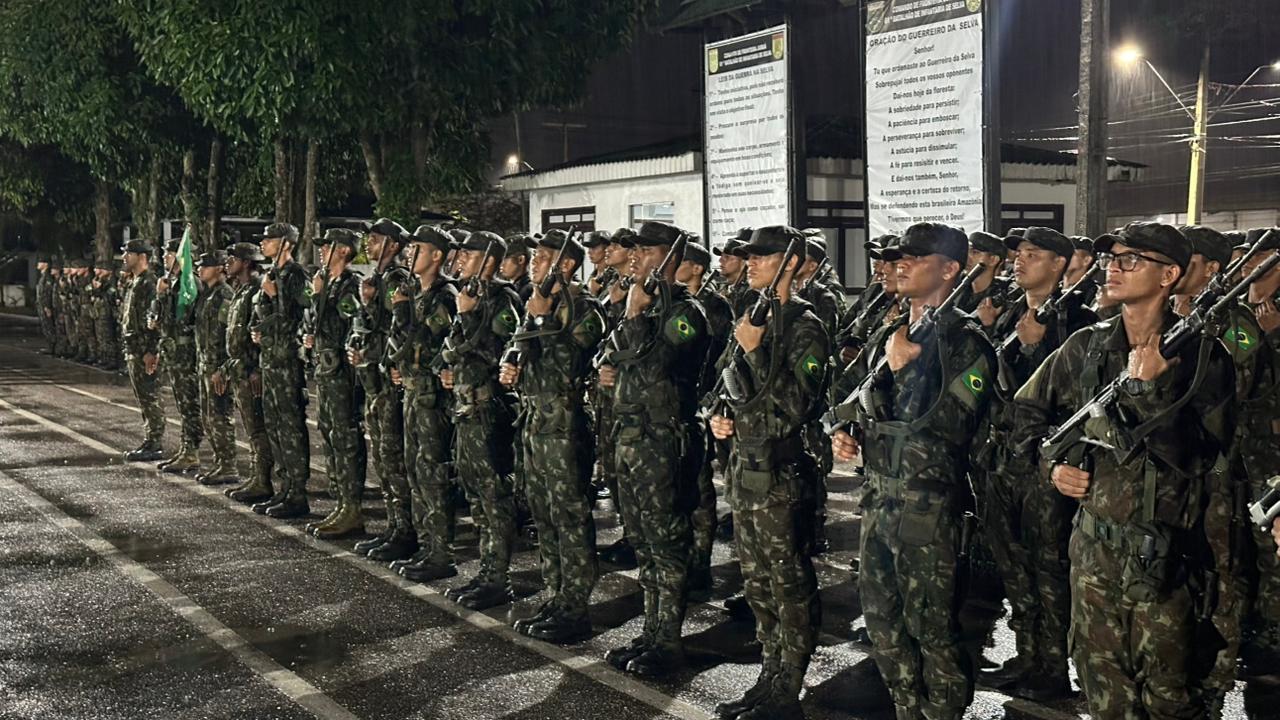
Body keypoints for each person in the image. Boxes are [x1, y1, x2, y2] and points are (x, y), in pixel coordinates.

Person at [1014, 221, 1235, 720]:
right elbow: (1027, 416)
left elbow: (1204, 456)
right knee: (1105, 696)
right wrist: (1053, 466)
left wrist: (1151, 389)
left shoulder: (1202, 357)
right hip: (1094, 554)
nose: (1113, 268)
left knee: (1171, 700)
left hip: (1168, 560)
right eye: (1112, 258)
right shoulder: (1085, 348)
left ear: (1169, 275)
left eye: (1131, 259)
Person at [830, 222, 995, 720]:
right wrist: (851, 431)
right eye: (899, 255)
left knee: (932, 631)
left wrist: (903, 370)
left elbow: (953, 425)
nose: (899, 263)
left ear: (950, 269)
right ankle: (907, 710)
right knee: (884, 624)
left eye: (915, 257)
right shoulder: (893, 329)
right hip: (880, 497)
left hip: (929, 506)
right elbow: (858, 398)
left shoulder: (968, 341)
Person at [710, 225, 828, 720]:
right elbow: (727, 383)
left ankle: (789, 688)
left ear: (792, 264)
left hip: (781, 475)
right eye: (750, 256)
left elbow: (795, 408)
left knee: (789, 583)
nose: (751, 262)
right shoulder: (751, 316)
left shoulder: (805, 326)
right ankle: (769, 675)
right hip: (747, 469)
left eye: (763, 256)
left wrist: (757, 350)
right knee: (757, 584)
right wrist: (719, 414)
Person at [975, 227, 1094, 700]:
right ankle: (1028, 653)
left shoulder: (1077, 324)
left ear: (1060, 264)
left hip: (1044, 464)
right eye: (1019, 252)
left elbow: (1072, 399)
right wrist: (991, 333)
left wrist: (1035, 347)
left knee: (1048, 567)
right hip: (1002, 457)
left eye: (1035, 254)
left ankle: (1052, 666)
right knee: (1013, 563)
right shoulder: (1006, 314)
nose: (1021, 260)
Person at [599, 220, 709, 678]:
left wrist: (637, 316)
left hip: (663, 440)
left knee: (666, 543)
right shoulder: (636, 305)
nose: (636, 258)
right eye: (636, 251)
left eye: (646, 251)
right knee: (643, 543)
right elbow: (611, 360)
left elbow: (657, 363)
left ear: (670, 258)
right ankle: (652, 629)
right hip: (629, 438)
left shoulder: (686, 313)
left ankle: (669, 640)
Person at [503, 229, 604, 642]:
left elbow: (566, 365)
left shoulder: (584, 309)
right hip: (535, 424)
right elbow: (520, 350)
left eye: (542, 257)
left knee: (570, 517)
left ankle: (576, 607)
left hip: (564, 426)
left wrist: (544, 317)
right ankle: (556, 594)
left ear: (565, 264)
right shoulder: (536, 306)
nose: (532, 262)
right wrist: (511, 366)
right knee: (544, 517)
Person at [440, 231, 522, 610]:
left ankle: (497, 577)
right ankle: (487, 571)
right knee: (476, 498)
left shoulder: (503, 300)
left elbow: (499, 353)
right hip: (466, 409)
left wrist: (470, 315)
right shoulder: (467, 296)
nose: (461, 259)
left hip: (490, 411)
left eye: (470, 254)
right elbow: (452, 347)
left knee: (494, 498)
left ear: (488, 260)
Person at [389, 225, 460, 582]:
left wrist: (403, 314)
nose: (409, 254)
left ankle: (441, 552)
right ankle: (425, 544)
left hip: (433, 398)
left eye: (418, 248)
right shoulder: (416, 293)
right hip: (414, 395)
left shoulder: (444, 297)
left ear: (437, 255)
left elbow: (429, 345)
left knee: (433, 474)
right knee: (415, 471)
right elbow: (403, 346)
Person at [351, 219, 418, 561]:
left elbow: (399, 332)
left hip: (389, 385)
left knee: (394, 459)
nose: (369, 244)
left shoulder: (398, 279)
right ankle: (394, 526)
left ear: (392, 245)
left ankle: (406, 530)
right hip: (374, 381)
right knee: (382, 455)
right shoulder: (377, 279)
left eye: (375, 239)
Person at [303, 228, 367, 538]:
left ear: (343, 250)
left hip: (343, 376)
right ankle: (341, 503)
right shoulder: (329, 284)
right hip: (326, 375)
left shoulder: (348, 286)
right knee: (330, 437)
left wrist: (318, 297)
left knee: (345, 440)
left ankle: (352, 508)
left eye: (327, 246)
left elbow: (348, 329)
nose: (321, 251)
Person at [677, 242, 732, 596]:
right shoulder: (668, 303)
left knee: (700, 489)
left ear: (696, 268)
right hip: (684, 404)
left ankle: (700, 563)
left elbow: (717, 353)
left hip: (704, 403)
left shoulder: (714, 305)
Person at [1238, 227, 1280, 683]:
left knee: (1273, 549)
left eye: (1260, 258)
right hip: (1247, 447)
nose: (1250, 266)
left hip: (1275, 451)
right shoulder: (1240, 312)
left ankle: (1274, 642)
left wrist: (1277, 335)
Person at [250, 222, 312, 519]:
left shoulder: (297, 275)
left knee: (291, 429)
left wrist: (275, 295)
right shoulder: (272, 275)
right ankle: (284, 488)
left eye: (269, 239)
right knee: (274, 426)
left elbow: (298, 316)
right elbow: (270, 318)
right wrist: (259, 331)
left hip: (287, 364)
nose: (263, 244)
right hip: (270, 362)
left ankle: (297, 493)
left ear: (286, 243)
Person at [595, 228, 639, 568]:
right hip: (610, 393)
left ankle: (637, 539)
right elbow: (604, 341)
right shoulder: (615, 288)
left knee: (635, 477)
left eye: (619, 246)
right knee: (613, 468)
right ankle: (629, 534)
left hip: (635, 399)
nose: (611, 250)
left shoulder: (643, 297)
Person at [221, 242, 275, 504]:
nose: (228, 262)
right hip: (239, 368)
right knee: (251, 427)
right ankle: (256, 477)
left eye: (233, 258)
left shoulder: (255, 288)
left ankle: (263, 481)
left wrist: (256, 369)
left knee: (258, 428)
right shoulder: (241, 290)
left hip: (250, 370)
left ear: (246, 262)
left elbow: (258, 333)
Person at [152, 237, 205, 475]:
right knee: (183, 403)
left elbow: (182, 319)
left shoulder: (190, 284)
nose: (165, 257)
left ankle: (192, 451)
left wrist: (164, 296)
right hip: (175, 353)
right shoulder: (173, 283)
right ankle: (186, 449)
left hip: (187, 354)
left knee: (190, 403)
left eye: (169, 253)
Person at [191, 250, 238, 486]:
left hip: (217, 367)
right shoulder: (206, 295)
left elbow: (228, 336)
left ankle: (228, 465)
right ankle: (220, 462)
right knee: (208, 417)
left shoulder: (225, 295)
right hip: (204, 364)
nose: (200, 269)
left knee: (220, 416)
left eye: (206, 266)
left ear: (220, 268)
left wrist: (223, 368)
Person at [118, 240, 166, 461]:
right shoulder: (134, 282)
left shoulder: (149, 283)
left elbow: (154, 320)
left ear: (142, 256)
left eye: (129, 253)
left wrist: (151, 351)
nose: (124, 257)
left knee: (150, 396)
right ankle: (150, 439)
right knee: (143, 397)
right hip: (134, 350)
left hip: (144, 351)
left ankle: (155, 442)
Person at [962, 230, 1013, 329]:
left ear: (993, 260)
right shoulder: (958, 290)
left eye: (975, 252)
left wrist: (989, 324)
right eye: (967, 251)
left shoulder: (1003, 296)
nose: (968, 257)